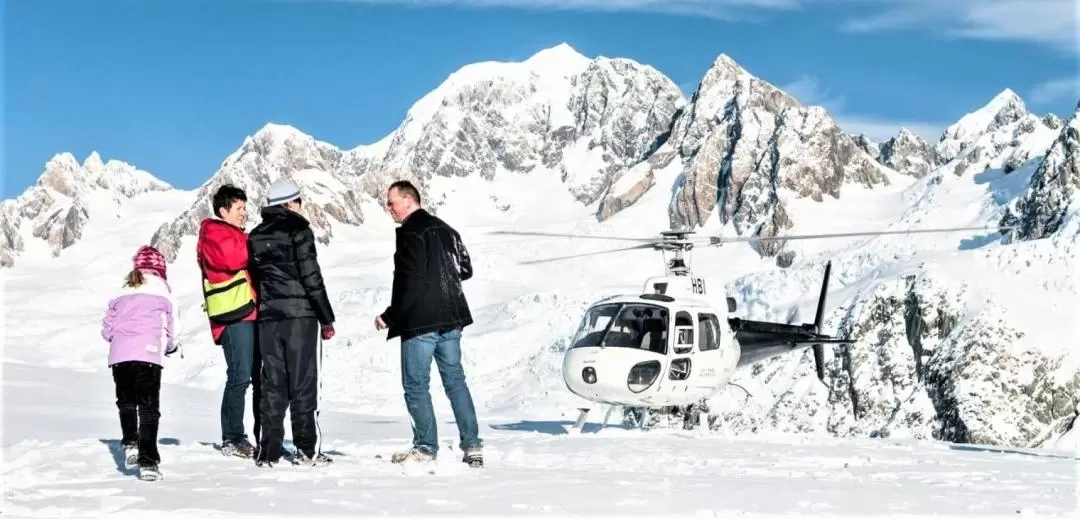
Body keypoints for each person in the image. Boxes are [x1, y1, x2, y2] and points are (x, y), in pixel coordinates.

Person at [375, 180, 483, 468]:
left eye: (391, 202)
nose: (389, 208)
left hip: (420, 323)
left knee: (416, 386)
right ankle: (472, 446)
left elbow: (407, 283)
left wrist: (389, 316)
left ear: (408, 201)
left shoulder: (410, 233)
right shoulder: (448, 230)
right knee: (456, 383)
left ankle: (425, 448)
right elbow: (465, 269)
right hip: (451, 319)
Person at [247, 177, 336, 467]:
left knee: (273, 383)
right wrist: (326, 317)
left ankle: (269, 451)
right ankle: (306, 450)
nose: (301, 206)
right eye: (299, 201)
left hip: (269, 318)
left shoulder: (256, 235)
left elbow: (256, 278)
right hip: (300, 316)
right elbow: (311, 277)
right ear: (290, 203)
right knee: (303, 383)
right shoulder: (300, 230)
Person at [100, 245, 182, 481]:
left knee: (126, 403)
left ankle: (130, 444)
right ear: (160, 270)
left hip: (120, 357)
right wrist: (170, 347)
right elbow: (173, 331)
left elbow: (107, 330)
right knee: (148, 410)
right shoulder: (164, 293)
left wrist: (120, 340)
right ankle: (147, 463)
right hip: (148, 356)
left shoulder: (120, 291)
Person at [196, 184, 259, 459]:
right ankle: (232, 436)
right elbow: (234, 258)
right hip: (234, 315)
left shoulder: (233, 233)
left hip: (248, 311)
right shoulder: (213, 233)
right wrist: (255, 245)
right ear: (223, 210)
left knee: (253, 376)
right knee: (239, 375)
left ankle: (255, 434)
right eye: (239, 208)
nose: (244, 213)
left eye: (245, 208)